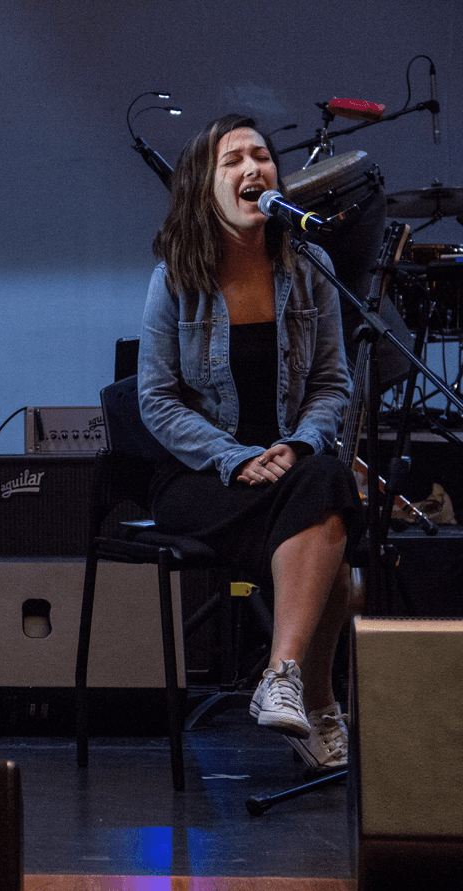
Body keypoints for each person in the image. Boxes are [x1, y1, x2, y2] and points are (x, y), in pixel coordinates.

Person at [138, 114, 364, 772]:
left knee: (324, 480)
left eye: (260, 156)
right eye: (231, 160)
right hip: (200, 475)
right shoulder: (173, 278)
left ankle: (283, 675)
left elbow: (331, 383)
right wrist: (236, 457)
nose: (251, 169)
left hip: (292, 467)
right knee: (333, 519)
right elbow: (155, 399)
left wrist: (294, 445)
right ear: (203, 189)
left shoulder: (311, 266)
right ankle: (316, 699)